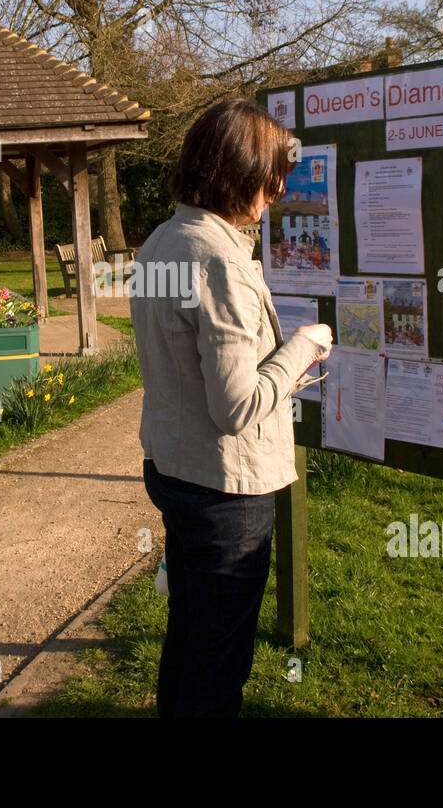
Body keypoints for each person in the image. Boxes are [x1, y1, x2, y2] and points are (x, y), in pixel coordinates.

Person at [129, 98, 334, 718]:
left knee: (189, 634)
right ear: (240, 173)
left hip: (174, 471)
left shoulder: (160, 241)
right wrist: (301, 348)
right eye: (272, 174)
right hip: (225, 490)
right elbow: (238, 407)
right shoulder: (218, 260)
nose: (278, 188)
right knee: (219, 663)